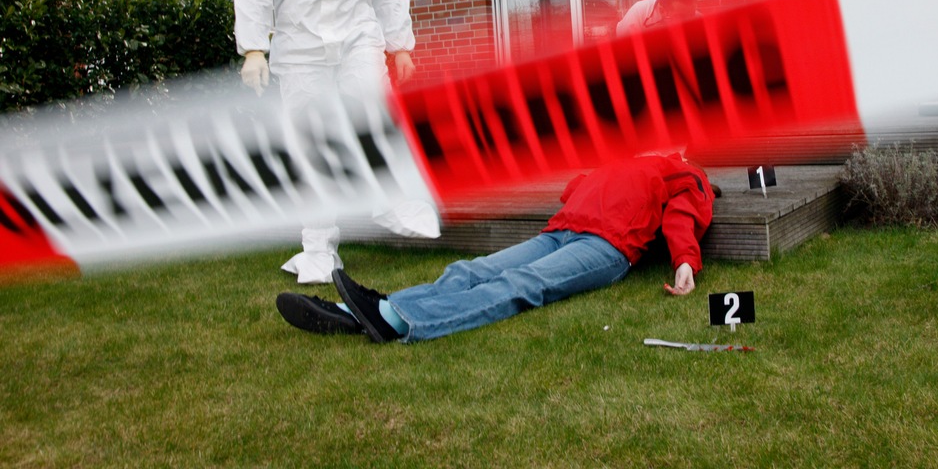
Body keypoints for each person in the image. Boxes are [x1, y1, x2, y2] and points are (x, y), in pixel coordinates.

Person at [275, 153, 718, 343]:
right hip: (559, 231)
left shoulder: (684, 171)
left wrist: (684, 262)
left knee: (521, 283)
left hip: (606, 247)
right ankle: (354, 314)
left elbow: (683, 216)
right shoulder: (623, 158)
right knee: (470, 270)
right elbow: (573, 190)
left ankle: (400, 320)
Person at [235, 0, 417, 285]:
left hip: (358, 40)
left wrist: (399, 47)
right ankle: (318, 250)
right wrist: (255, 48)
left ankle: (386, 197)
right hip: (301, 50)